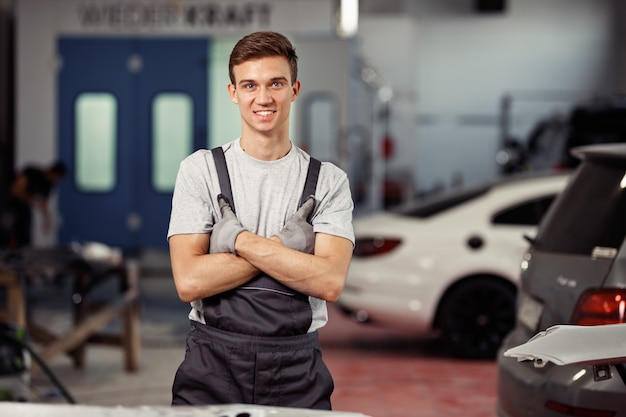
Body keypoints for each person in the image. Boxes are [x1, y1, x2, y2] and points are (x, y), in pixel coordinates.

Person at [167, 31, 354, 409]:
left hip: (296, 370)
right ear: (233, 92)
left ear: (295, 89)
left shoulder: (329, 182)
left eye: (276, 84)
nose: (263, 98)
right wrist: (289, 250)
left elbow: (329, 282)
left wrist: (237, 239)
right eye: (250, 85)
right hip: (211, 364)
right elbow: (189, 281)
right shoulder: (200, 170)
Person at [4, 160, 67, 248]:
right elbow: (15, 190)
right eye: (56, 177)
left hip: (24, 207)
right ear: (53, 172)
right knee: (7, 232)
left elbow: (45, 204)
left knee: (25, 234)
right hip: (8, 205)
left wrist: (47, 220)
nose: (55, 180)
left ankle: (22, 253)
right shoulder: (32, 172)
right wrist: (34, 201)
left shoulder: (48, 185)